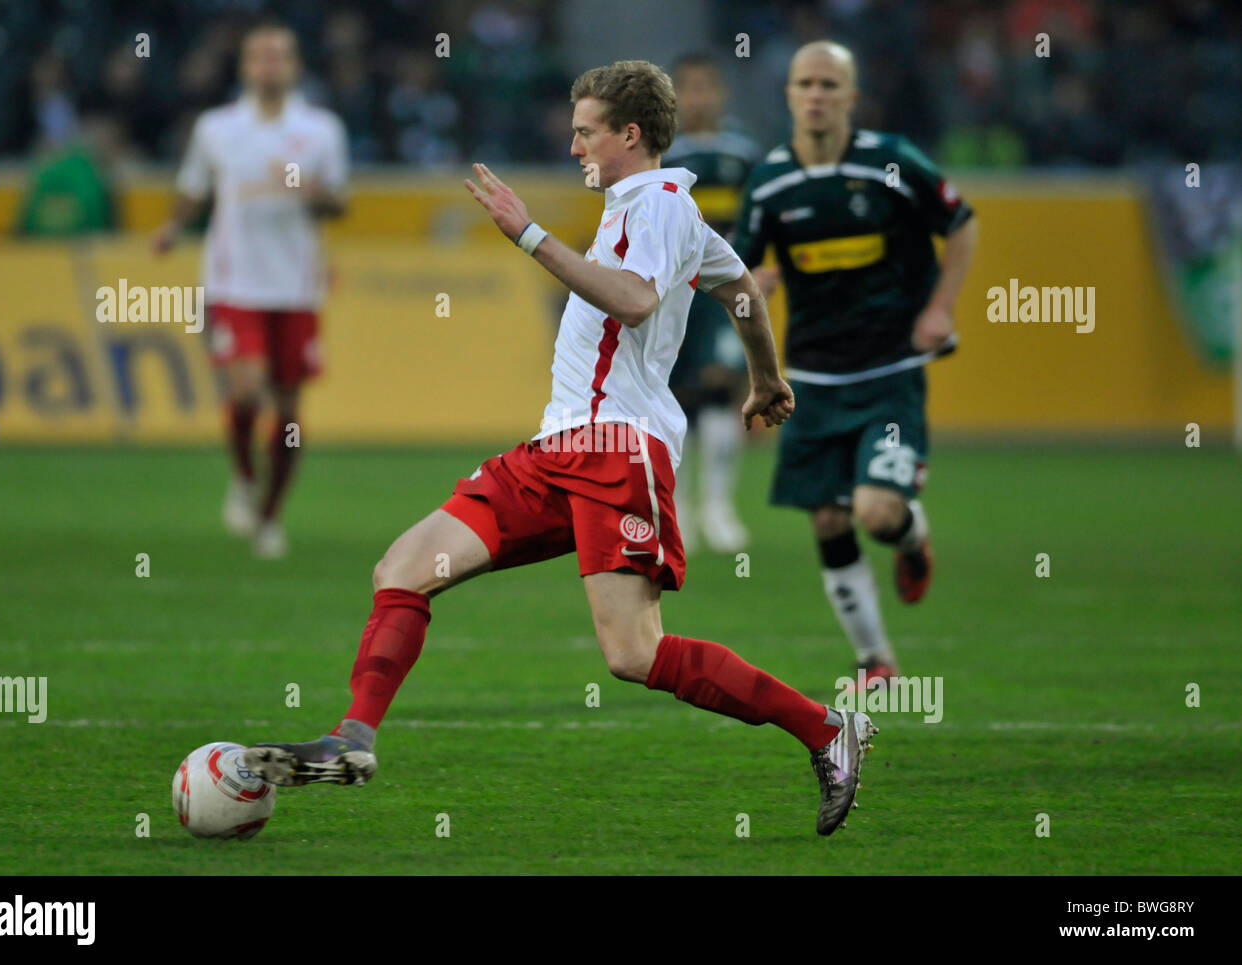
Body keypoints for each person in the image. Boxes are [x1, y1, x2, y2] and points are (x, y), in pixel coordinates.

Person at [244, 60, 878, 837]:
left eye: (585, 131)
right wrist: (767, 379)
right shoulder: (653, 207)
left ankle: (825, 728)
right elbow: (741, 286)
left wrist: (528, 233)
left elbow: (638, 302)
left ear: (629, 134)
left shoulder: (657, 204)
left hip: (618, 452)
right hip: (556, 449)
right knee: (403, 567)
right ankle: (353, 739)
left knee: (633, 653)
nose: (574, 144)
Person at [732, 41, 978, 685]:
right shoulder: (771, 180)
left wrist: (939, 309)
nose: (815, 94)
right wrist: (759, 278)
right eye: (804, 83)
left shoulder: (892, 163)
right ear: (789, 94)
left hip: (888, 371)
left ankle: (910, 534)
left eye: (828, 84)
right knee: (828, 517)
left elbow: (961, 221)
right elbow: (741, 267)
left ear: (850, 95)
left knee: (876, 512)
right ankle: (876, 661)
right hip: (811, 376)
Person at [152, 20, 348, 559]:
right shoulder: (217, 128)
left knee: (286, 413)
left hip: (296, 287)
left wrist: (314, 194)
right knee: (245, 390)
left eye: (278, 55)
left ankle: (269, 514)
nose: (269, 65)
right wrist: (172, 227)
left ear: (295, 66)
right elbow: (194, 187)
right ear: (244, 67)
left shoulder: (321, 130)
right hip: (233, 281)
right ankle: (243, 474)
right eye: (259, 56)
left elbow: (340, 203)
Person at [662, 54, 763, 553]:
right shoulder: (660, 150)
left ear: (721, 92)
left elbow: (762, 219)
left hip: (722, 288)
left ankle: (719, 506)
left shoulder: (743, 153)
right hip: (675, 292)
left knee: (723, 386)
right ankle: (677, 510)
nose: (699, 97)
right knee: (677, 399)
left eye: (707, 86)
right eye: (689, 88)